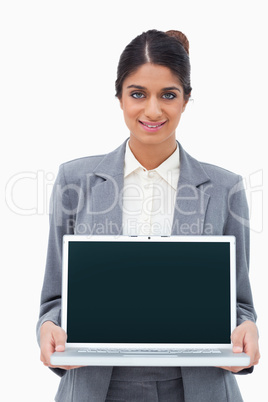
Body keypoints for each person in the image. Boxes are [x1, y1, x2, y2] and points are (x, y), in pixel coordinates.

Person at [37, 29, 260, 402]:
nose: (153, 110)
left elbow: (239, 303)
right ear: (120, 97)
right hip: (96, 387)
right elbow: (55, 297)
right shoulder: (74, 180)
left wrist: (246, 329)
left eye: (168, 95)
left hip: (196, 387)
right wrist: (48, 327)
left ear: (186, 100)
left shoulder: (226, 188)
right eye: (138, 94)